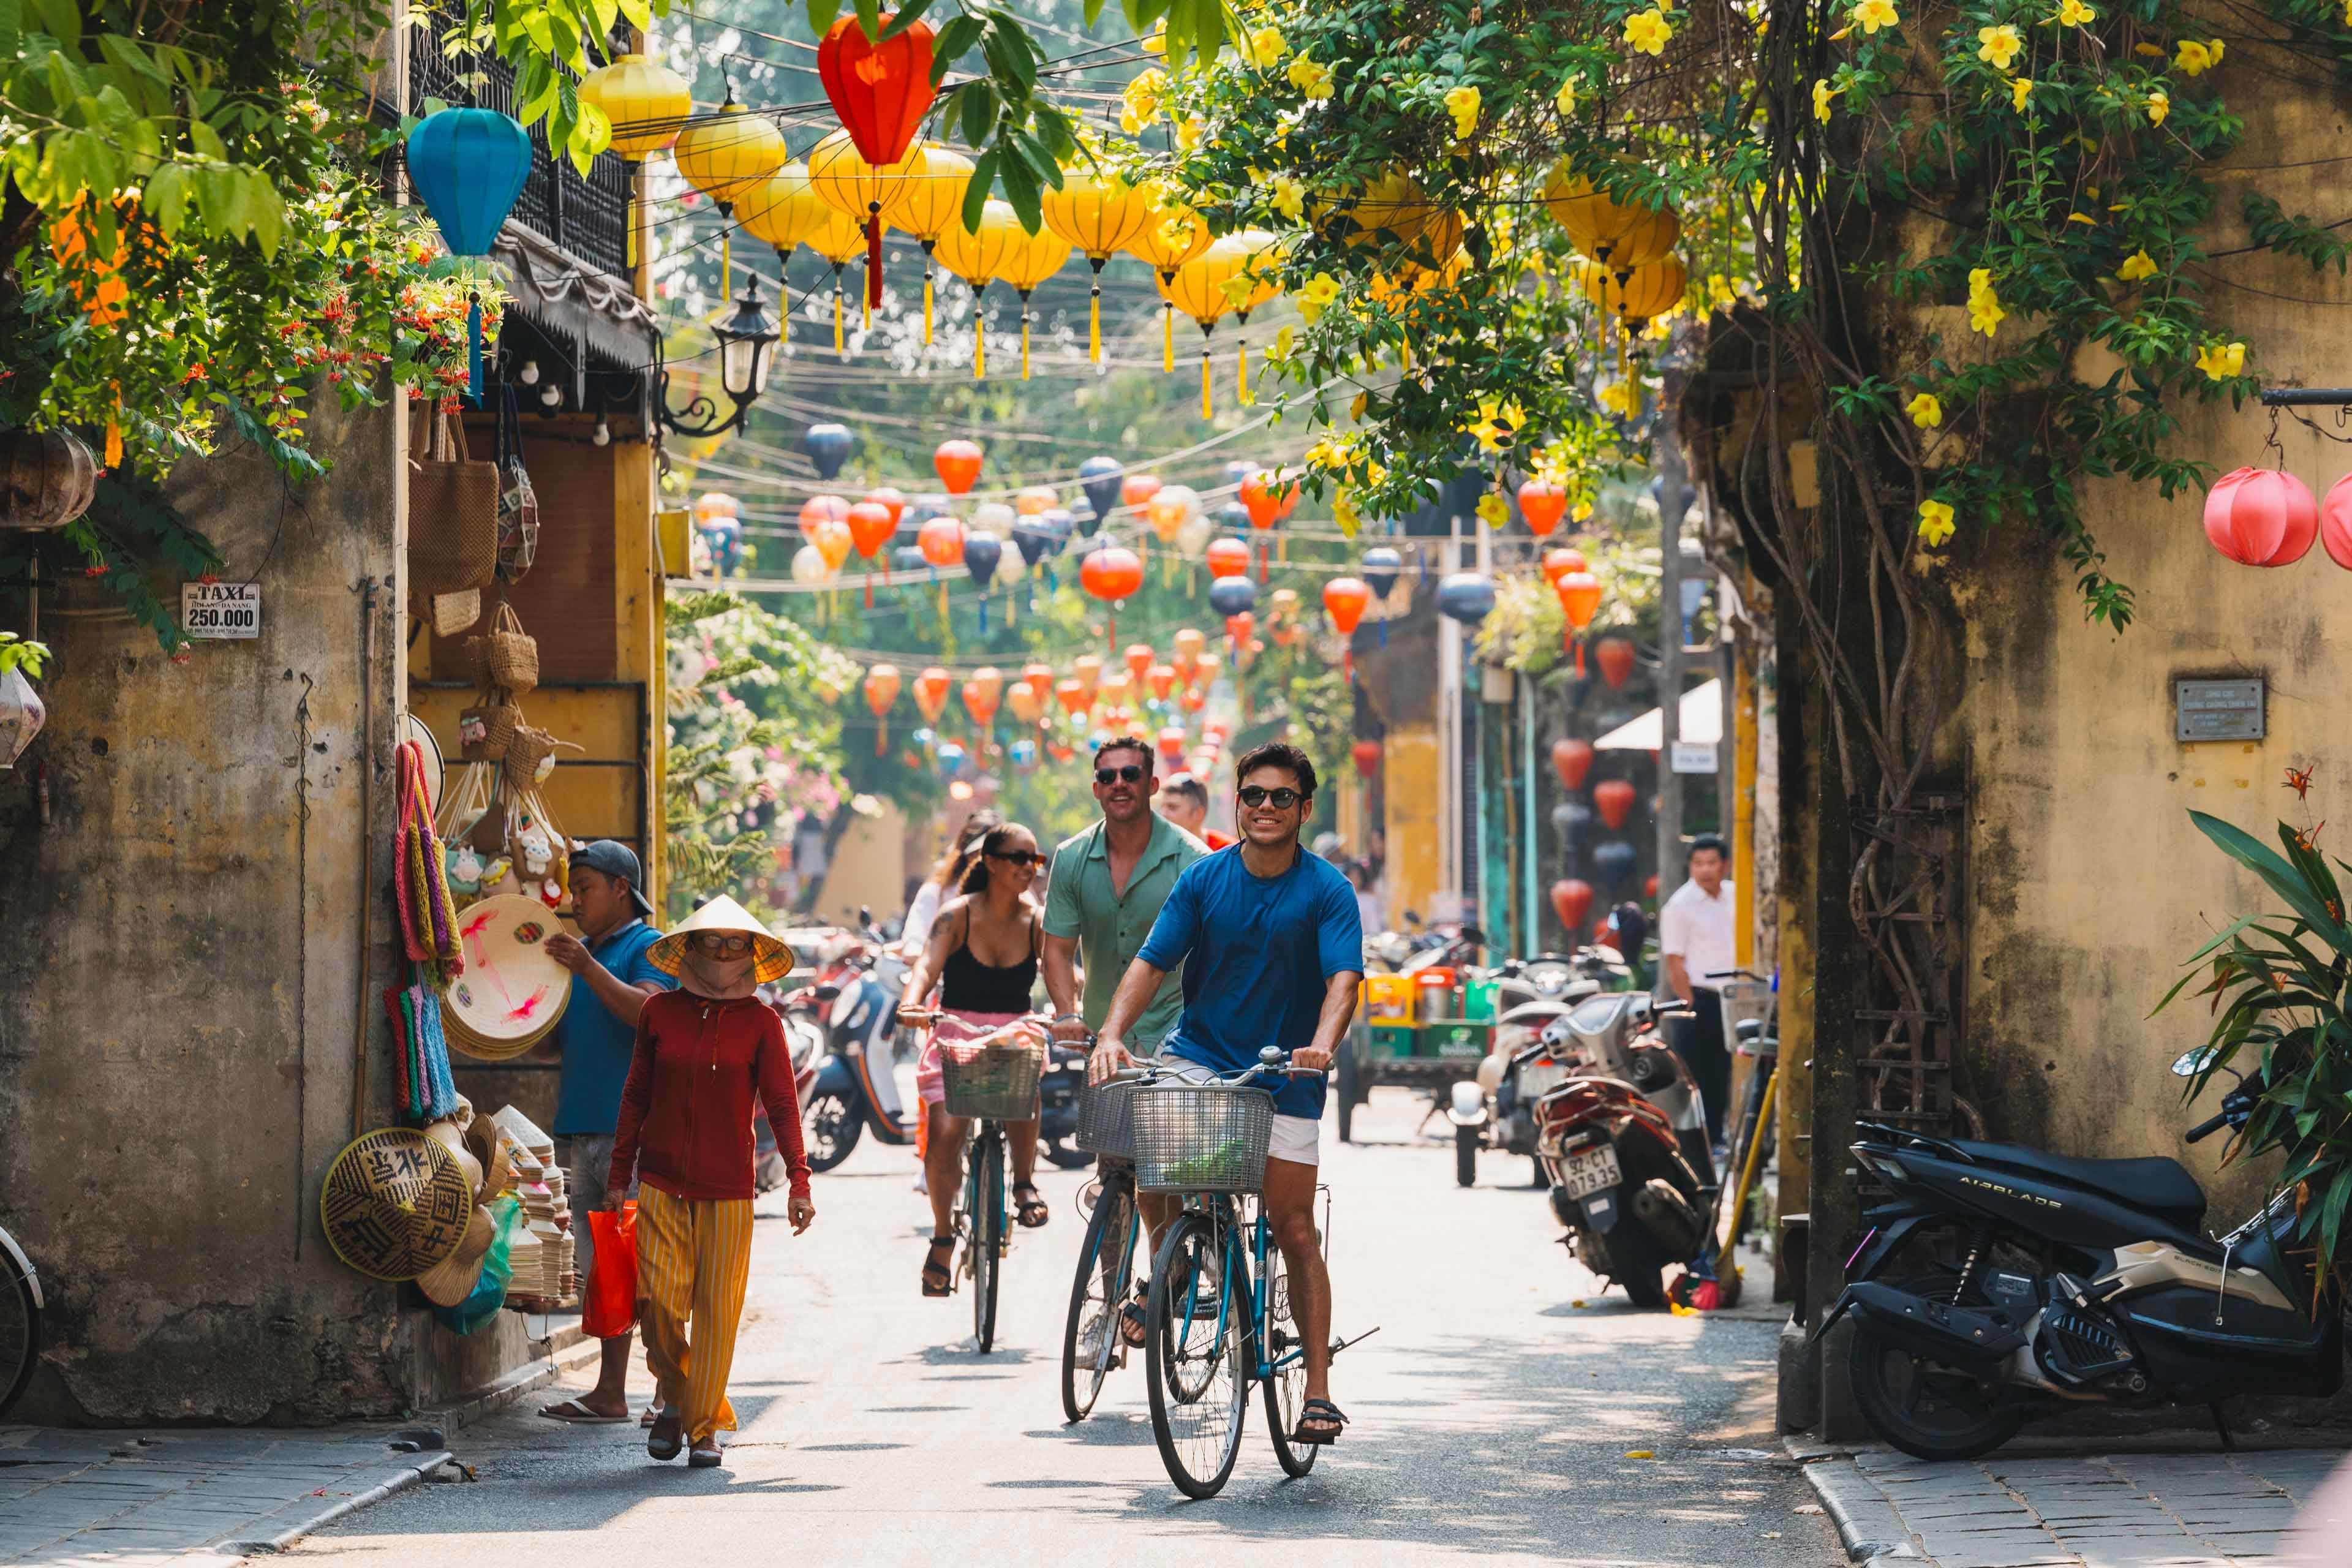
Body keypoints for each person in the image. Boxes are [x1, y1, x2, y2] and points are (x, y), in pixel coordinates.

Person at [1088, 742, 1363, 1446]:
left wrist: (1323, 1046)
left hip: (1288, 1072)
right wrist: (1112, 1031)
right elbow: (1152, 962)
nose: (1265, 807)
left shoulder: (1328, 889)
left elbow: (1343, 983)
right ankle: (1173, 1266)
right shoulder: (1205, 880)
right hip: (1203, 1054)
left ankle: (1321, 1395)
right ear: (1236, 803)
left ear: (1303, 808)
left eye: (1280, 797)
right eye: (1253, 795)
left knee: (1294, 1227)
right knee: (1153, 1150)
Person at [608, 895, 815, 1469]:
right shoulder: (660, 1014)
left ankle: (701, 1429)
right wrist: (619, 1173)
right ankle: (679, 1396)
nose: (723, 955)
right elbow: (635, 1096)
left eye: (734, 945)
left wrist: (800, 1179)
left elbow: (781, 1103)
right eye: (711, 943)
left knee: (718, 1310)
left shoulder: (763, 1022)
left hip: (729, 1187)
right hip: (659, 1180)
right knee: (656, 1303)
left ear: (751, 954)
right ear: (689, 949)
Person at [1041, 739, 1209, 1341]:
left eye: (1130, 773)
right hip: (1104, 1043)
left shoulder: (1190, 858)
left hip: (1176, 1036)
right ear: (1096, 787)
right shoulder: (1069, 857)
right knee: (1115, 1173)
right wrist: (1065, 1010)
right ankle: (1108, 1306)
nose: (1119, 783)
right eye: (1107, 775)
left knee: (1163, 1172)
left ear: (1150, 782)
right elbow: (1057, 947)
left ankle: (1169, 1274)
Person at [537, 842, 669, 1428]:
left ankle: (670, 1390)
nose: (575, 901)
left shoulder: (648, 947)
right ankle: (611, 1393)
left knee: (651, 1268)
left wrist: (587, 969)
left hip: (633, 1136)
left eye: (585, 888)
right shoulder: (581, 955)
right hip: (581, 1128)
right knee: (604, 1273)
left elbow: (649, 1013)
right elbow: (549, 1039)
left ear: (621, 888)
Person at [897, 821, 1050, 1296]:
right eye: (1018, 858)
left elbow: (1063, 968)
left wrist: (1072, 1007)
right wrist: (912, 1002)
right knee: (944, 1133)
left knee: (1025, 1083)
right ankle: (943, 1235)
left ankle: (1023, 1182)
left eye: (1035, 859)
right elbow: (926, 965)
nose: (1029, 868)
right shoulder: (956, 915)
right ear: (989, 862)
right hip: (955, 1029)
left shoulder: (1037, 919)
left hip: (1013, 1030)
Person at [1658, 833, 1736, 1149]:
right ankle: (1697, 1143)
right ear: (1690, 866)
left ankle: (1719, 1137)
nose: (1705, 870)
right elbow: (1674, 960)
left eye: (1712, 863)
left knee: (1725, 1070)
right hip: (1698, 998)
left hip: (1734, 996)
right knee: (1697, 1073)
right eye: (1698, 863)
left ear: (1725, 865)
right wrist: (1688, 1003)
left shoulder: (1737, 895)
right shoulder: (1679, 906)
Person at [900, 810, 1003, 956]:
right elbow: (915, 943)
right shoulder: (937, 893)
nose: (987, 862)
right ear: (966, 853)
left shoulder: (1014, 897)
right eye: (979, 853)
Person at [1155, 771, 1233, 849]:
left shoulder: (1230, 852)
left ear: (1199, 813)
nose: (1163, 814)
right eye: (1162, 807)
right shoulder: (1156, 849)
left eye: (1172, 808)